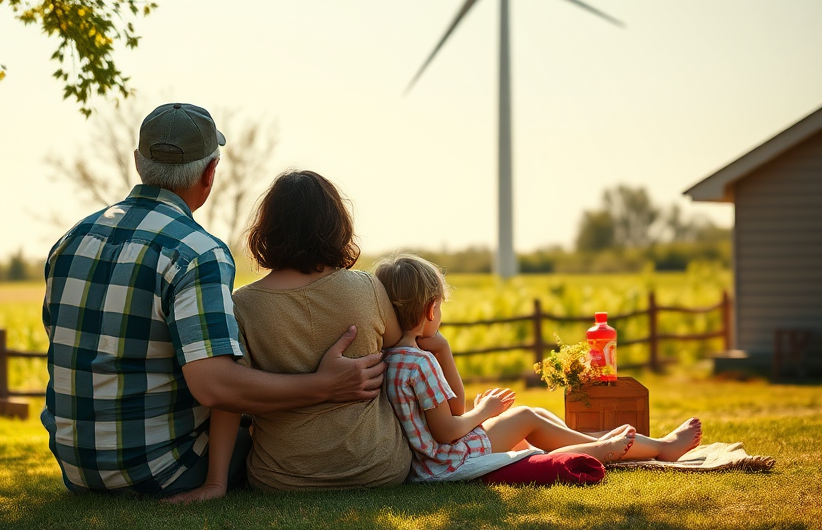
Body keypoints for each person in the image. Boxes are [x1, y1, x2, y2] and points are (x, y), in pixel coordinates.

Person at [41, 104, 385, 501]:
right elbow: (215, 387)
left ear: (138, 162)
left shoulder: (69, 241)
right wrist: (322, 386)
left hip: (78, 468)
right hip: (162, 471)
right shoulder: (196, 252)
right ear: (210, 172)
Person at [374, 254, 704, 482]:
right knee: (526, 417)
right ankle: (610, 448)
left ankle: (630, 444)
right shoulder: (419, 363)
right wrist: (485, 412)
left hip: (439, 457)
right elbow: (446, 430)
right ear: (431, 310)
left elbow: (454, 409)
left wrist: (444, 350)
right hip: (446, 461)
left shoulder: (396, 358)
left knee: (536, 419)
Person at [227, 170, 413, 491]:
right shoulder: (368, 288)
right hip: (380, 466)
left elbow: (231, 398)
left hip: (282, 478)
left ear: (268, 229)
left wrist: (217, 481)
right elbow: (402, 345)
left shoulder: (242, 305)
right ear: (336, 224)